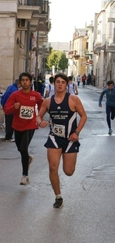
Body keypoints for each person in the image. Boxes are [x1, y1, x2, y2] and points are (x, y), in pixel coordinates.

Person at [36, 73, 87, 209]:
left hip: (70, 139)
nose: (59, 84)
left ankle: (67, 159)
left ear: (66, 84)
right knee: (53, 167)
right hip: (54, 138)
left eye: (62, 82)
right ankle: (58, 196)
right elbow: (38, 116)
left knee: (68, 171)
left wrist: (76, 133)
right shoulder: (48, 101)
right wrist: (40, 122)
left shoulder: (73, 100)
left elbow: (83, 116)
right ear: (54, 84)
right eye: (57, 82)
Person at [4, 72, 43, 185]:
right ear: (20, 82)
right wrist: (13, 107)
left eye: (27, 80)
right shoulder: (15, 95)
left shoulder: (36, 95)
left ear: (30, 82)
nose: (25, 82)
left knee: (23, 148)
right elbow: (6, 109)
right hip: (17, 125)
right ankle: (28, 159)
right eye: (23, 80)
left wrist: (39, 116)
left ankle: (25, 176)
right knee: (20, 149)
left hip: (30, 125)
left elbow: (42, 105)